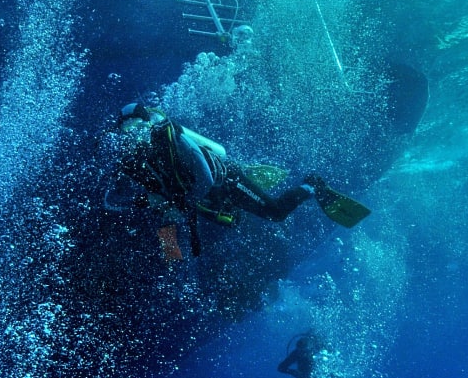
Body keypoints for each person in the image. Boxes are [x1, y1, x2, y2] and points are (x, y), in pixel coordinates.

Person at [110, 103, 370, 260]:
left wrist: (182, 202)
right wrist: (152, 204)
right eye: (127, 132)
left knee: (274, 213)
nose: (134, 136)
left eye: (137, 128)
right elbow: (149, 196)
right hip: (206, 198)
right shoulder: (143, 159)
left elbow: (205, 177)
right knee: (231, 221)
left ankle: (312, 186)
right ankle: (174, 262)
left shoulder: (173, 139)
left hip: (226, 181)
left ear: (147, 123)